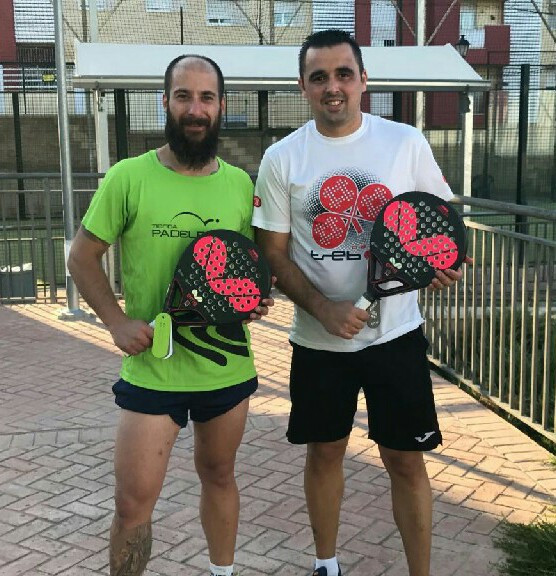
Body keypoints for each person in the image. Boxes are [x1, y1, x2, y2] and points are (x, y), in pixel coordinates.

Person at [252, 30, 470, 576]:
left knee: (405, 459)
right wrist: (323, 309)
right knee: (325, 452)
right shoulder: (282, 157)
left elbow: (439, 224)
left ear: (363, 80)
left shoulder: (404, 143)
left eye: (344, 74)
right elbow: (273, 253)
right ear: (303, 86)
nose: (333, 86)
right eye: (319, 77)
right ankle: (326, 563)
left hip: (395, 336)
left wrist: (443, 264)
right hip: (318, 342)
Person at [68, 54, 273, 576]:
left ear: (221, 105)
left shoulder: (240, 185)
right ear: (165, 102)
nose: (195, 109)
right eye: (184, 96)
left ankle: (222, 572)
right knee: (132, 504)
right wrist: (115, 322)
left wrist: (251, 301)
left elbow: (239, 269)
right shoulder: (128, 177)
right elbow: (81, 257)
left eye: (206, 98)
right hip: (153, 372)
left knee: (220, 477)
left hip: (224, 367)